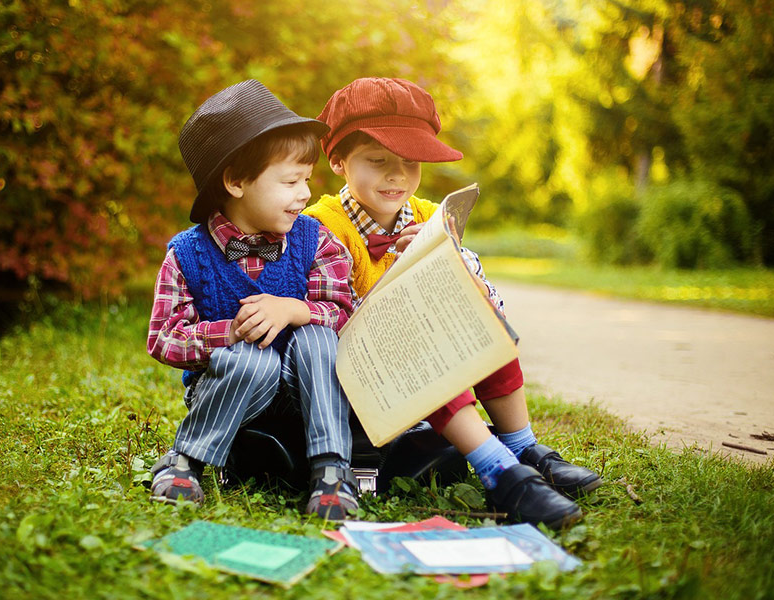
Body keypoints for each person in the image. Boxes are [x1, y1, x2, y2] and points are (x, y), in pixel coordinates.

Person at [304, 77, 601, 529]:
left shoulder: (429, 216)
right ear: (339, 161)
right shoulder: (321, 226)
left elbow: (482, 293)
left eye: (410, 162)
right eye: (377, 160)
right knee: (423, 346)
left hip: (415, 364)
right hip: (354, 375)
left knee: (482, 319)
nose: (396, 175)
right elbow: (331, 320)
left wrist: (450, 266)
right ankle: (498, 472)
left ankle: (522, 446)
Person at [147, 80, 358, 520]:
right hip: (234, 393)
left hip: (307, 390)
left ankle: (332, 471)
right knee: (250, 357)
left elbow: (343, 314)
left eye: (306, 179)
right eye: (291, 181)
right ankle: (186, 460)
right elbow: (164, 338)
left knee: (318, 337)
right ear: (236, 181)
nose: (305, 193)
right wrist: (230, 333)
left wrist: (295, 310)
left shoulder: (316, 241)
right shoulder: (188, 254)